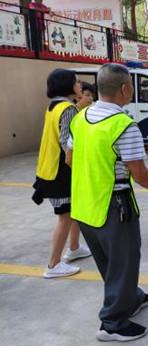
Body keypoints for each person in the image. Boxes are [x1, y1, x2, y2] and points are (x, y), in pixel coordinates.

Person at [67, 63, 148, 342]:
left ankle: (131, 298)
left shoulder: (80, 118)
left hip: (84, 204)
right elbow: (141, 175)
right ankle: (112, 323)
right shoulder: (124, 125)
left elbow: (70, 159)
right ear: (124, 89)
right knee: (124, 262)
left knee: (110, 262)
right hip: (114, 207)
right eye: (132, 86)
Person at [32, 69, 91, 279]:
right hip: (60, 173)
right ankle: (53, 264)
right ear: (67, 85)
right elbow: (68, 145)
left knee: (73, 211)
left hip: (49, 170)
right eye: (77, 81)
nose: (80, 84)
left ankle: (74, 248)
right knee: (65, 217)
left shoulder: (53, 106)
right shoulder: (68, 109)